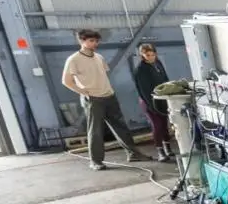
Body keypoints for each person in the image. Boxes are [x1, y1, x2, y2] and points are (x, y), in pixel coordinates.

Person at [60, 29, 150, 170]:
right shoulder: (74, 60)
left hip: (109, 96)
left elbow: (102, 75)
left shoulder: (99, 57)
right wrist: (82, 91)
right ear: (81, 41)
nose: (94, 43)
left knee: (121, 127)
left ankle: (133, 154)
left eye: (96, 41)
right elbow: (66, 81)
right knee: (95, 131)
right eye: (91, 41)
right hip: (93, 99)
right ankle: (95, 161)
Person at [132, 43, 173, 162]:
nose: (150, 57)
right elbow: (144, 90)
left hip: (162, 99)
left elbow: (165, 79)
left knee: (165, 125)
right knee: (157, 125)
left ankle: (168, 148)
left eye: (152, 54)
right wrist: (151, 105)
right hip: (149, 101)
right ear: (142, 55)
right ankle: (160, 151)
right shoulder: (141, 70)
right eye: (147, 55)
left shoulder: (158, 64)